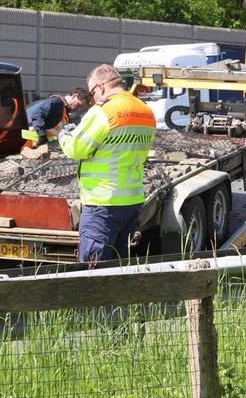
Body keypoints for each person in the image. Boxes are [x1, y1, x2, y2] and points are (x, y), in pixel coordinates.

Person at [58, 64, 156, 265]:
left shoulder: (104, 112)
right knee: (119, 264)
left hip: (102, 202)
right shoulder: (145, 111)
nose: (92, 98)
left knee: (94, 268)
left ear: (101, 87)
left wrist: (63, 134)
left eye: (92, 92)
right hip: (131, 199)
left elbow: (76, 149)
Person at [23, 88, 88, 147]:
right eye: (79, 105)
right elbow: (37, 114)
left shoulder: (63, 111)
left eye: (81, 108)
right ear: (75, 96)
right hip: (28, 143)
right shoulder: (56, 102)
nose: (78, 109)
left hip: (35, 146)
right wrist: (41, 135)